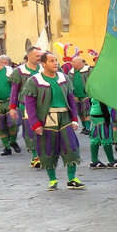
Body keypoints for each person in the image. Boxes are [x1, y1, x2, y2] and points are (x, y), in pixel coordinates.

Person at [22, 52, 86, 190]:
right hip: (47, 119)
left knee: (71, 147)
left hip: (65, 117)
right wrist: (35, 124)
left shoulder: (63, 78)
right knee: (48, 149)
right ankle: (52, 180)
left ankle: (72, 179)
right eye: (51, 61)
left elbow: (71, 99)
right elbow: (30, 105)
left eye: (56, 60)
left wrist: (74, 118)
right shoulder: (34, 81)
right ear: (43, 64)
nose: (55, 63)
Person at [8, 46, 43, 167]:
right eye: (37, 56)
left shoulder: (43, 68)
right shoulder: (19, 71)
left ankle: (44, 154)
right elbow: (14, 90)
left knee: (45, 130)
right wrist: (12, 107)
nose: (39, 58)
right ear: (29, 56)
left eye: (40, 55)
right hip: (26, 106)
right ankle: (35, 155)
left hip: (44, 105)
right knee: (30, 130)